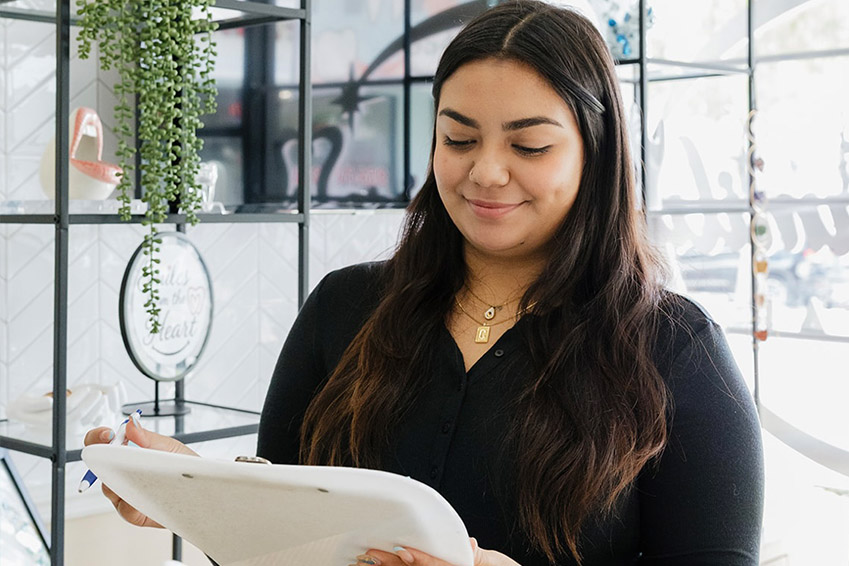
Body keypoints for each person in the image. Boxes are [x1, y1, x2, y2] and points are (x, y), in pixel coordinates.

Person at [85, 1, 764, 564]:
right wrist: (196, 494)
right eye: (458, 139)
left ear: (597, 151)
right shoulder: (344, 308)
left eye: (528, 146)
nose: (485, 173)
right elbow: (278, 541)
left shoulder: (673, 348)